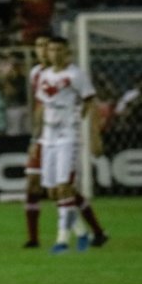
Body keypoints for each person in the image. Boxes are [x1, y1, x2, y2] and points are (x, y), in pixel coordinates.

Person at [23, 35, 107, 249]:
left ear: (67, 52)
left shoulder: (75, 75)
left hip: (67, 136)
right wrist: (36, 138)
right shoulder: (41, 75)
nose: (52, 53)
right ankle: (83, 233)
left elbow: (90, 101)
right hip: (47, 137)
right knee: (52, 191)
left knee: (63, 187)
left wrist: (92, 133)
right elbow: (41, 106)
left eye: (57, 49)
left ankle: (62, 240)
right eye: (48, 49)